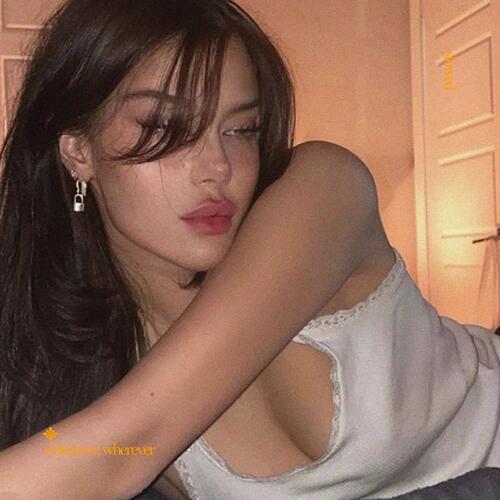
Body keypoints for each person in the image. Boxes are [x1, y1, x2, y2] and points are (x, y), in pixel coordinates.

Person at [0, 0, 498, 498]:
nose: (218, 166)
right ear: (78, 152)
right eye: (164, 128)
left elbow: (119, 451)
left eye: (240, 130)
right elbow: (85, 454)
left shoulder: (321, 191)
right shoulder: (81, 362)